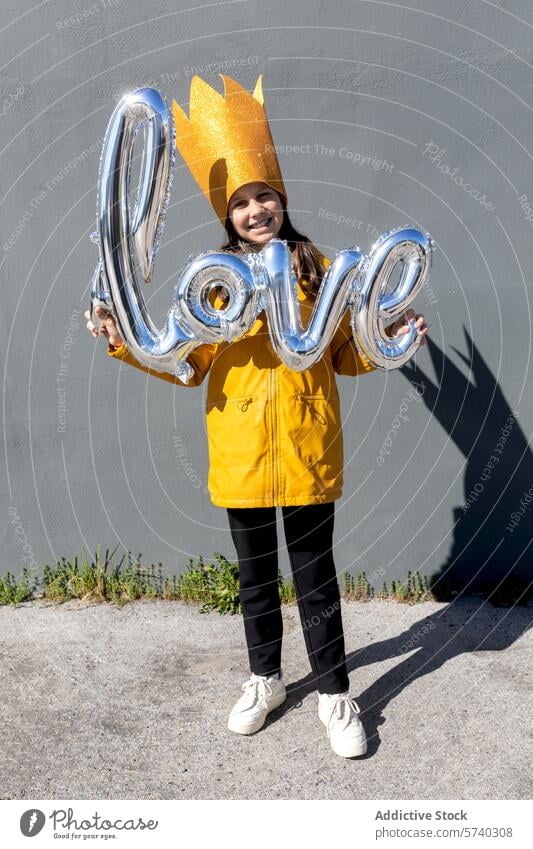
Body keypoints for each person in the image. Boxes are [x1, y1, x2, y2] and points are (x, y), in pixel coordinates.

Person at [85, 74, 429, 759]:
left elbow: (342, 354)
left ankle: (334, 692)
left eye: (263, 196)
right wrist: (124, 342)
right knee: (253, 579)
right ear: (227, 214)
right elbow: (188, 363)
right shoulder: (210, 282)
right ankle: (265, 679)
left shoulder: (317, 268)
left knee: (315, 579)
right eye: (240, 202)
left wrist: (389, 334)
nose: (254, 210)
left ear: (282, 200)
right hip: (240, 451)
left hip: (306, 448)